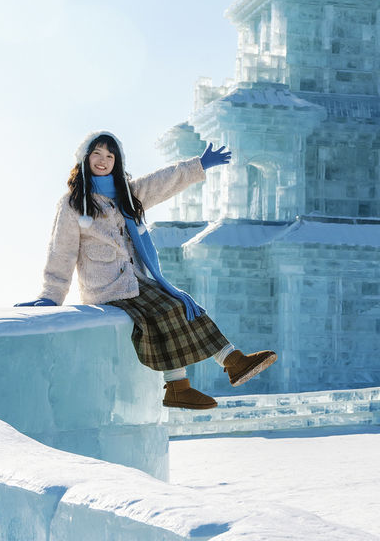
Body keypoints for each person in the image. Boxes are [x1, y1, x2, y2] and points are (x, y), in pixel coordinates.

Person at [16, 130, 277, 409]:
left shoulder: (127, 194)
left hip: (135, 281)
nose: (103, 160)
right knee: (167, 310)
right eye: (97, 154)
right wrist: (51, 294)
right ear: (84, 158)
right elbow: (62, 251)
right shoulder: (73, 203)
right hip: (104, 287)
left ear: (117, 161)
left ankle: (233, 362)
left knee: (184, 304)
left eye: (110, 155)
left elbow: (161, 182)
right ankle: (179, 386)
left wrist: (197, 166)